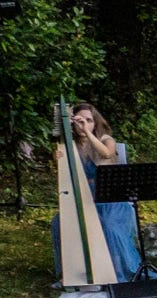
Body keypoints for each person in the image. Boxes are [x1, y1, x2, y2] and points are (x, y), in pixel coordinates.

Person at [49, 102, 144, 281]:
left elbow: (106, 154)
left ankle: (114, 271)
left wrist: (87, 134)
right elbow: (67, 176)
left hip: (109, 199)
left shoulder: (105, 140)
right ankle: (72, 272)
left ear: (95, 123)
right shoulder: (69, 146)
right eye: (79, 120)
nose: (83, 124)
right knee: (59, 222)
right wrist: (58, 161)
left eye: (89, 120)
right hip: (83, 198)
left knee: (107, 225)